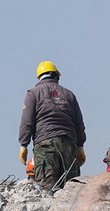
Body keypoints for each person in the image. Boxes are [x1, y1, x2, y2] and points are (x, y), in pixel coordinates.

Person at [18, 61, 85, 189]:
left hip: (45, 145)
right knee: (70, 189)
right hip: (69, 145)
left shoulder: (33, 93)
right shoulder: (69, 95)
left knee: (47, 187)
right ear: (56, 76)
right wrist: (80, 146)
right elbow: (79, 123)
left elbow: (27, 121)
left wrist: (23, 144)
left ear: (40, 77)